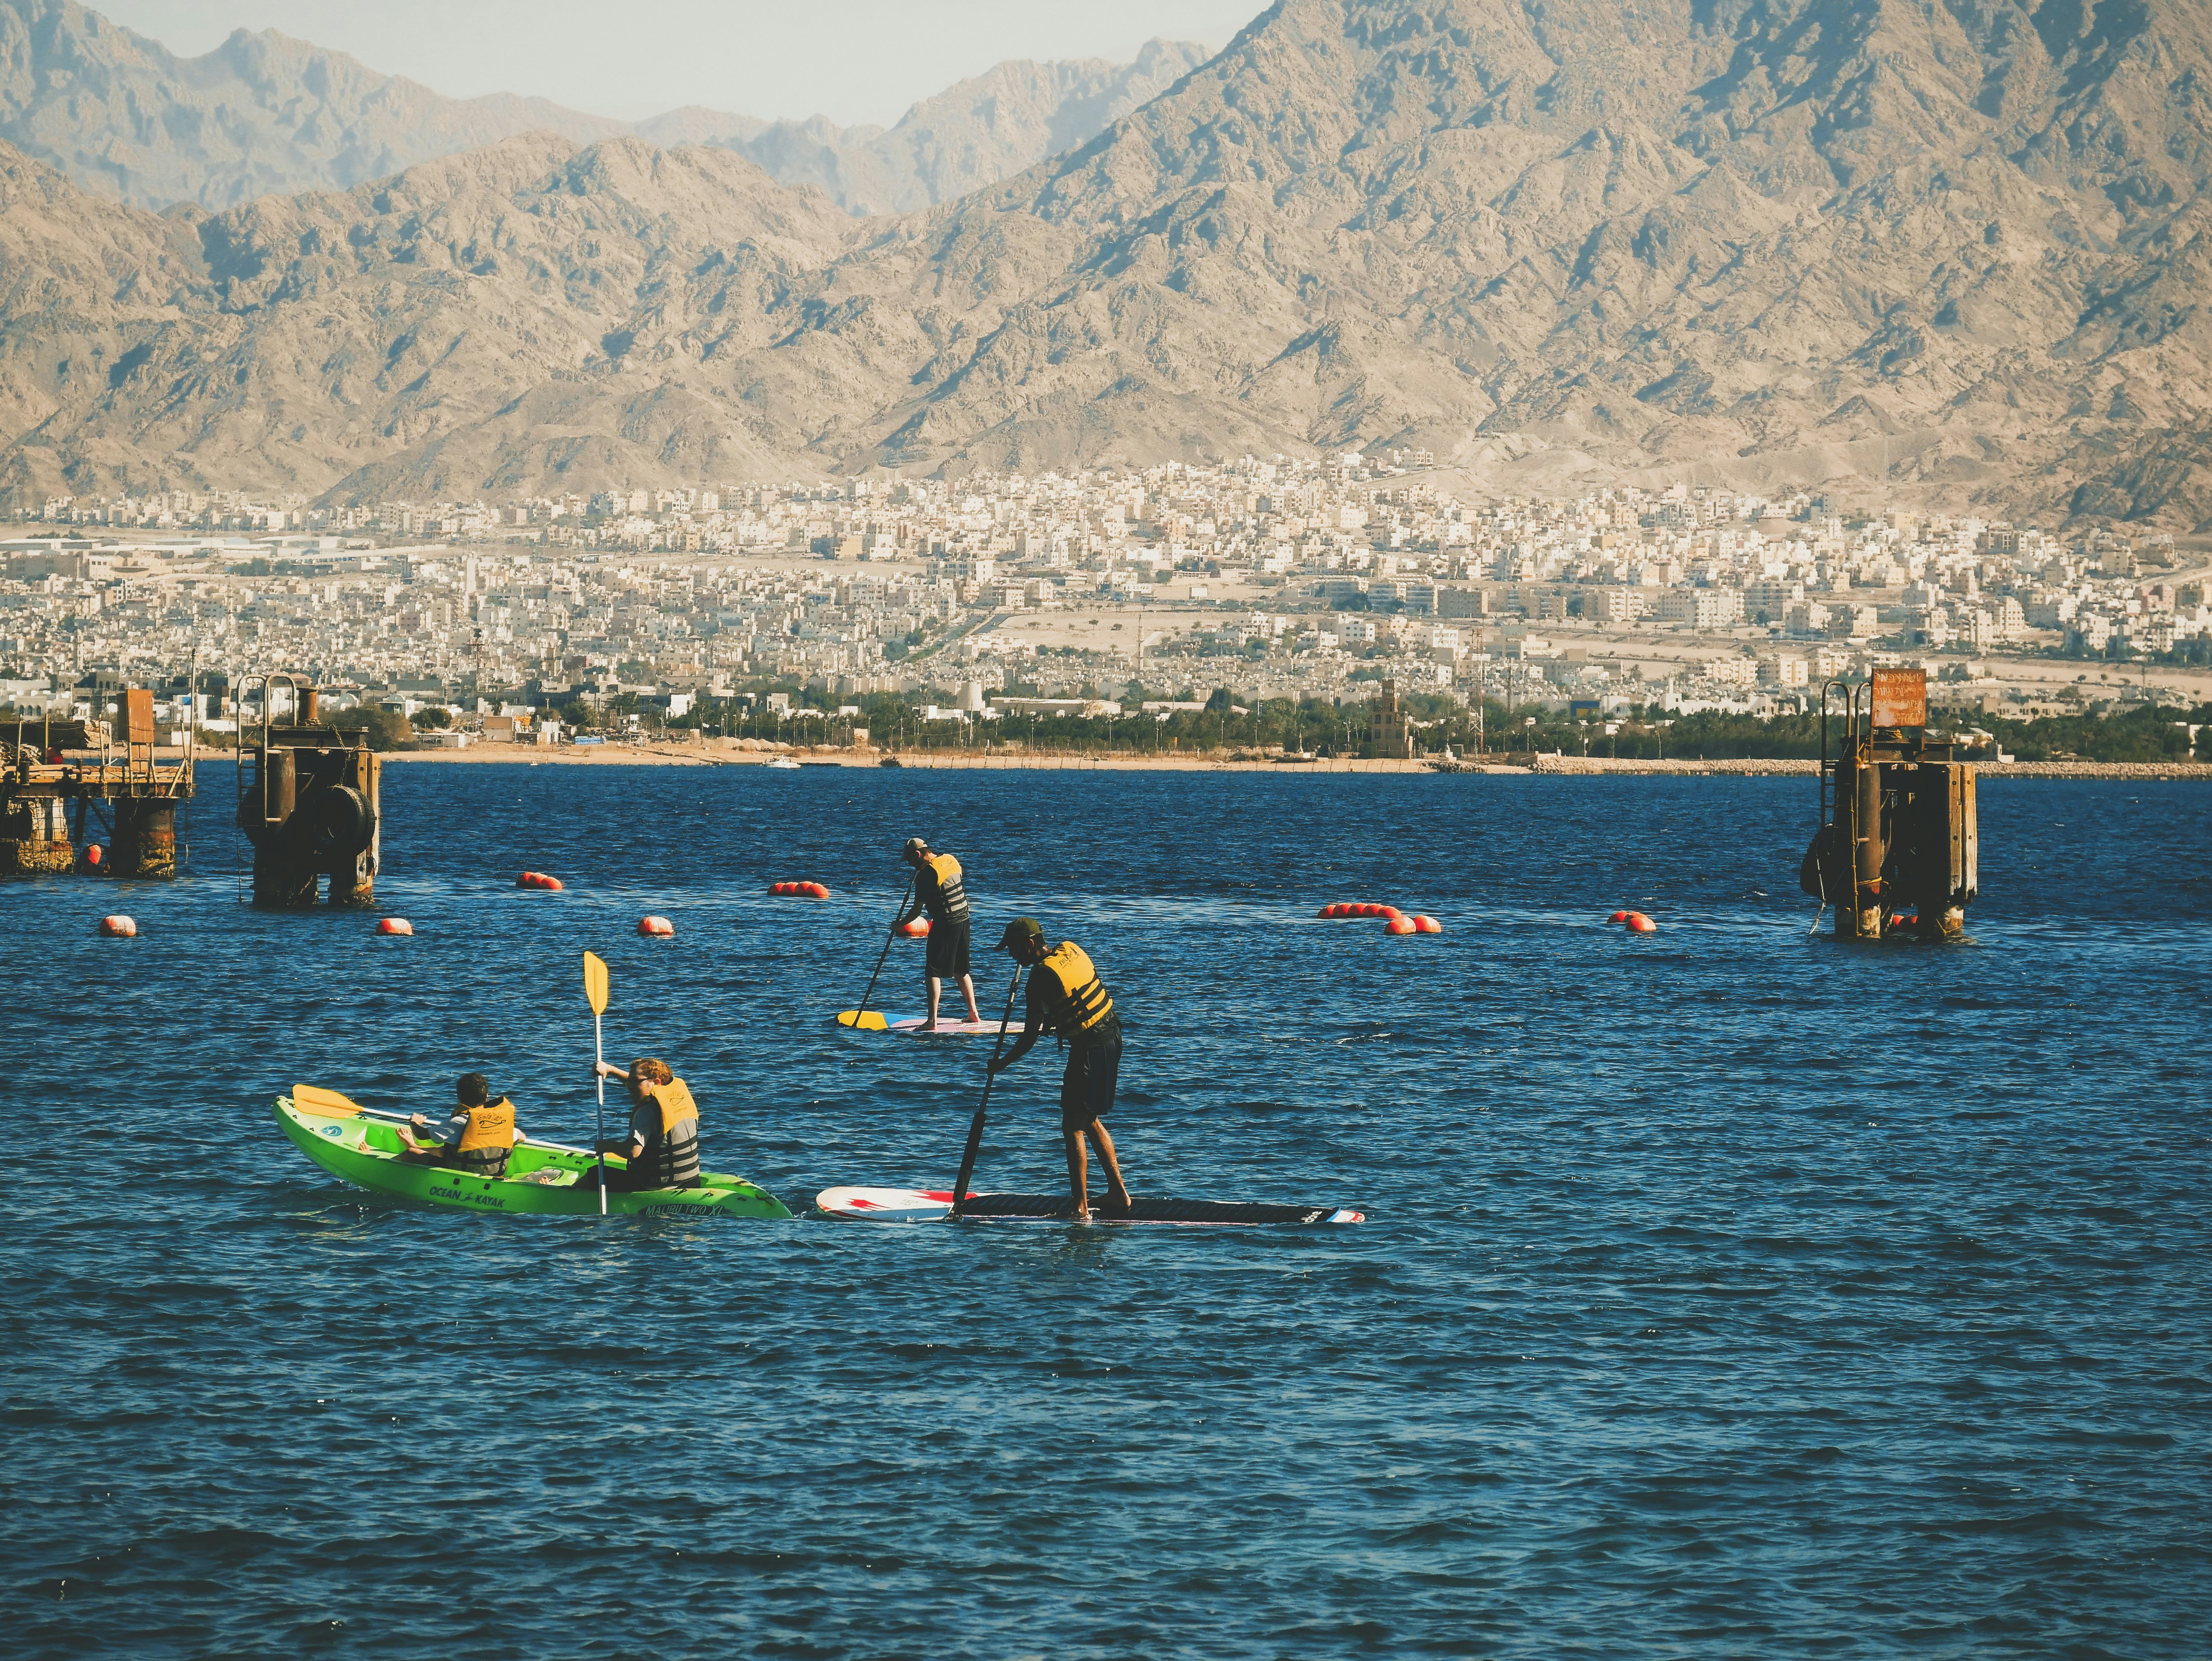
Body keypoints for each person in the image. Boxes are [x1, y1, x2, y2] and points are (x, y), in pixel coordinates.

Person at [986, 916, 1133, 1221]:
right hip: (1112, 1037)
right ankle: (1118, 1194)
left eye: (1014, 949)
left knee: (1073, 1124)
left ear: (1031, 944)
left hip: (1090, 1048)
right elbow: (1072, 998)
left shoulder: (1039, 978)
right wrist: (1056, 1021)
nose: (1012, 956)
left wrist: (1001, 1064)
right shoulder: (1070, 950)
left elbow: (1028, 1038)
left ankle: (1080, 1207)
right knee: (1087, 1119)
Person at [893, 836, 982, 1030]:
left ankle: (932, 1022)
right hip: (964, 919)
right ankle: (973, 1014)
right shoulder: (951, 859)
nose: (910, 864)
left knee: (932, 971)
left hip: (946, 924)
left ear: (918, 854)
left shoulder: (926, 875)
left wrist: (898, 924)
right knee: (961, 970)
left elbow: (916, 911)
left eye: (910, 860)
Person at [579, 1056, 702, 1191]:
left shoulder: (646, 1112)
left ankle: (564, 1194)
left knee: (595, 1173)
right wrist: (611, 1070)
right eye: (630, 1081)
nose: (630, 1086)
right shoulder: (679, 1094)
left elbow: (633, 1152)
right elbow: (642, 1082)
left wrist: (606, 1145)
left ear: (656, 1082)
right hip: (691, 1181)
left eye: (636, 1082)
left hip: (656, 1186)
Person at [395, 1072, 517, 1176]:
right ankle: (417, 1147)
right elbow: (521, 1137)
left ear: (459, 1098)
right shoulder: (505, 1125)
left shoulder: (458, 1122)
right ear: (487, 1097)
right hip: (493, 1174)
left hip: (460, 1174)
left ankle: (386, 1166)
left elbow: (421, 1134)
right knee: (450, 1149)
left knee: (411, 1153)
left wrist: (414, 1122)